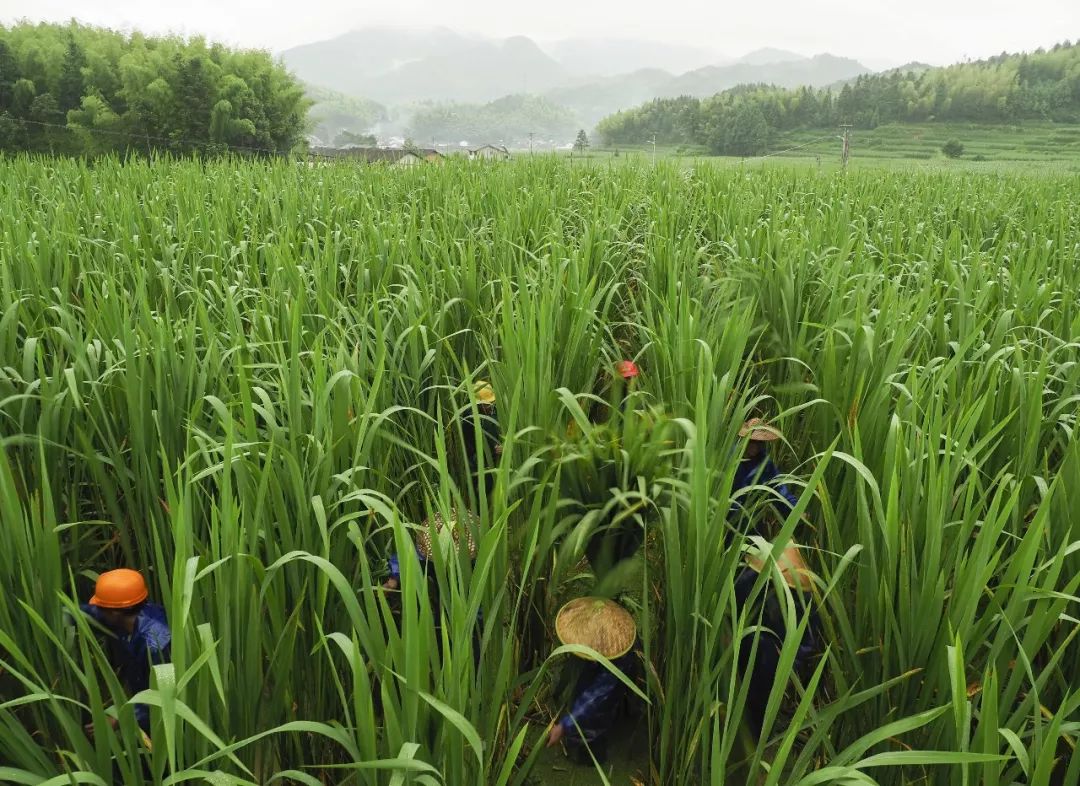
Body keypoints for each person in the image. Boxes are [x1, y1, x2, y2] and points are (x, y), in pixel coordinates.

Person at [546, 597, 642, 765]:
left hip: (619, 675)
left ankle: (592, 756)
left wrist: (564, 726)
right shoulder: (607, 627)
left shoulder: (620, 657)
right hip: (608, 665)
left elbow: (596, 696)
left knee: (599, 712)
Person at [79, 568, 171, 736]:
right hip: (138, 694)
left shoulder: (156, 646)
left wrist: (119, 718)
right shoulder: (126, 622)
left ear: (114, 612)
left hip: (163, 726)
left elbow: (162, 698)